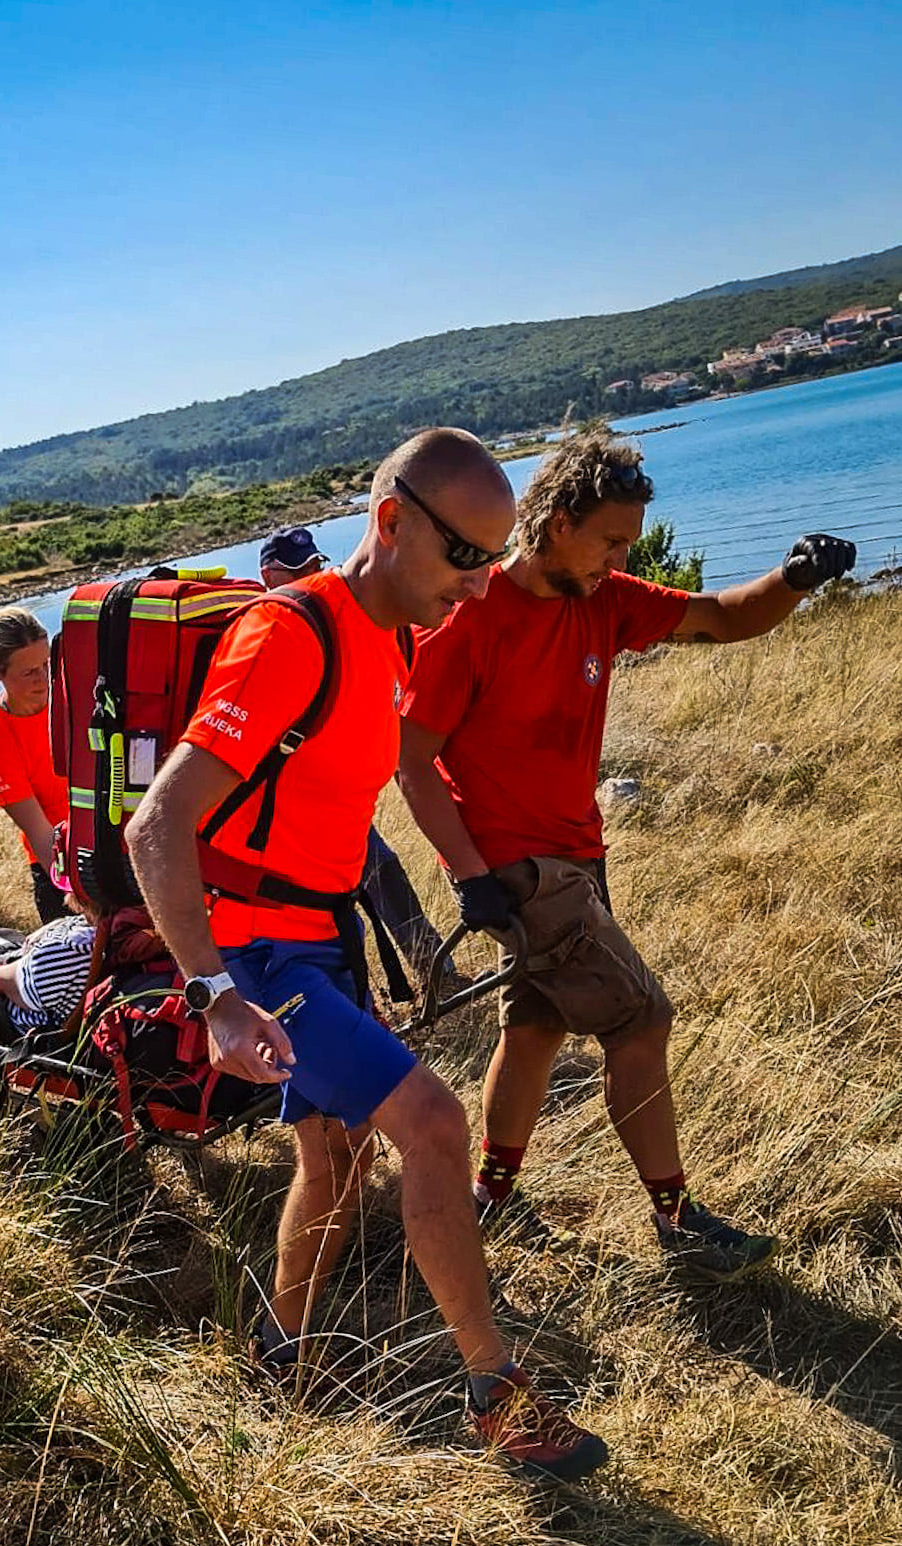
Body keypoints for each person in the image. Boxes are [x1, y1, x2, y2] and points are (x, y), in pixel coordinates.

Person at [127, 429, 607, 1481]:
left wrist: (481, 875)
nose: (477, 586)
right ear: (388, 521)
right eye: (462, 558)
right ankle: (497, 1396)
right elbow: (155, 828)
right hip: (253, 947)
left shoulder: (389, 637)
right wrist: (212, 995)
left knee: (335, 1158)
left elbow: (384, 773)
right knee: (432, 1125)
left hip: (314, 936)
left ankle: (277, 1349)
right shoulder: (288, 633)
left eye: (493, 558)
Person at [397, 426, 856, 1277]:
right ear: (558, 518)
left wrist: (790, 579)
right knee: (641, 1019)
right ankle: (676, 1218)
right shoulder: (470, 618)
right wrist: (471, 880)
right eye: (608, 538)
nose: (617, 557)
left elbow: (720, 618)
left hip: (575, 858)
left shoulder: (598, 598)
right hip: (520, 873)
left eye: (626, 544)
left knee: (534, 1028)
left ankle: (492, 1194)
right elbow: (412, 760)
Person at [259, 524, 449, 984]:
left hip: (335, 800)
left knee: (383, 875)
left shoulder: (327, 624)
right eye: (295, 571)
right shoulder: (265, 633)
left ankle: (436, 973)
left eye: (314, 566)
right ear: (268, 576)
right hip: (284, 815)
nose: (309, 577)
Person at [0, 605, 71, 925]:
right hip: (57, 865)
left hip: (112, 840)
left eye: (47, 664)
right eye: (29, 672)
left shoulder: (73, 692)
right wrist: (74, 889)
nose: (44, 678)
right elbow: (39, 831)